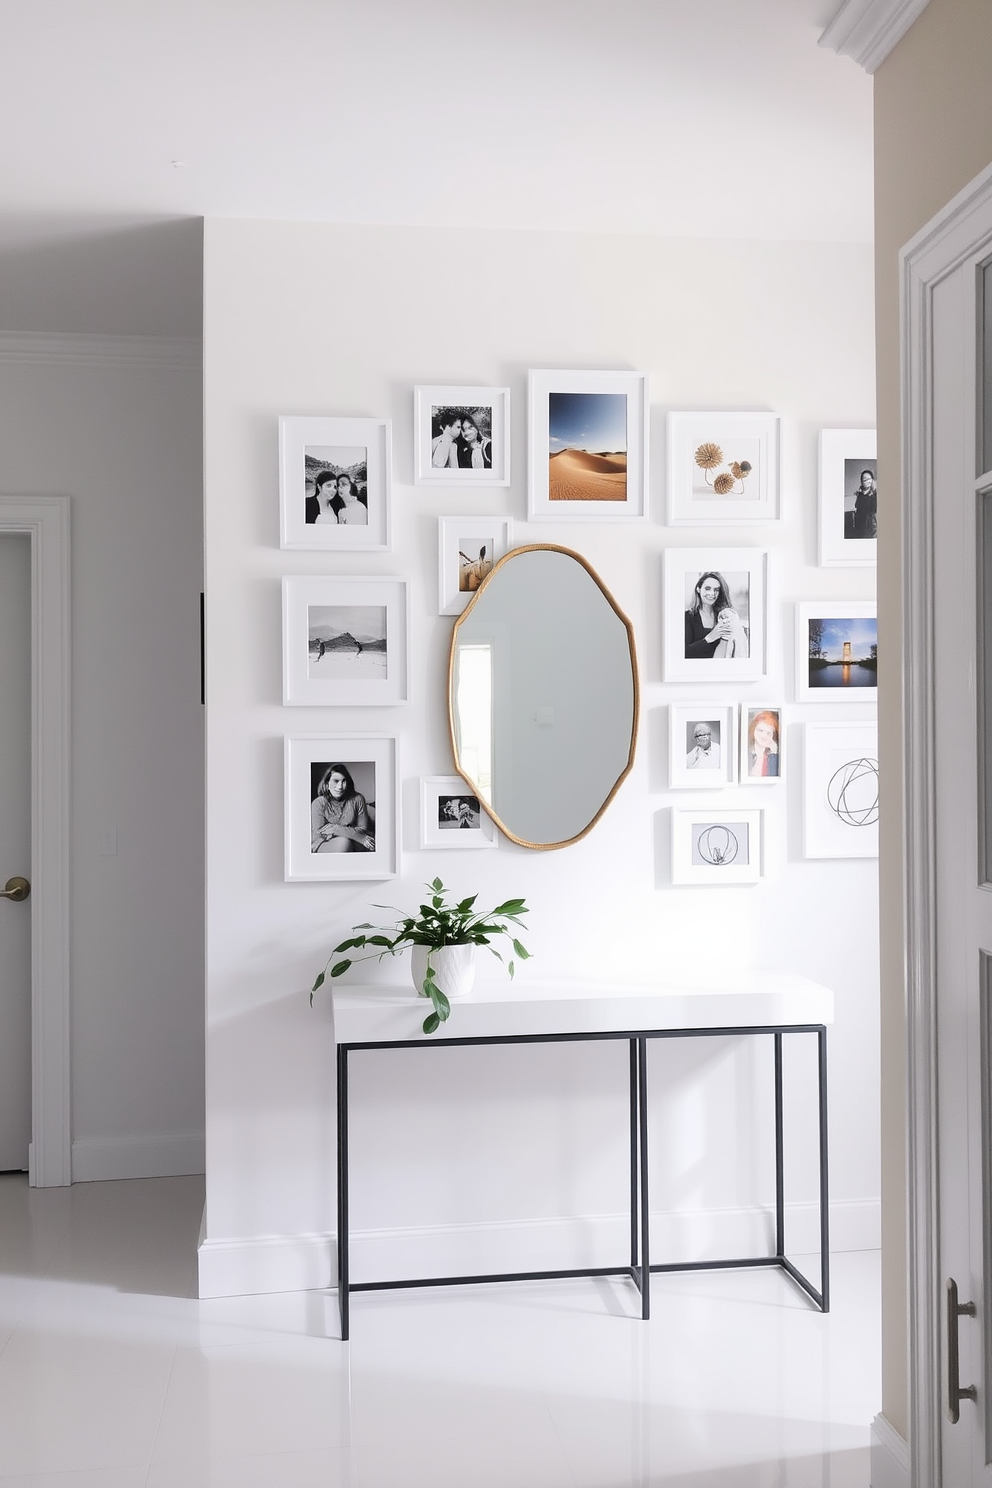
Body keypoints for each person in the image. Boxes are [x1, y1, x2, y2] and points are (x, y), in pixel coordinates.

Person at [311, 764, 375, 853]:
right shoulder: (318, 803)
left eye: (344, 781)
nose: (340, 786)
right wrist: (353, 833)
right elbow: (320, 834)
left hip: (354, 841)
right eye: (336, 781)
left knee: (354, 844)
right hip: (324, 843)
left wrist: (335, 829)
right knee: (344, 843)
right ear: (327, 784)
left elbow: (362, 829)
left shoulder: (358, 799)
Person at [684, 571, 741, 659]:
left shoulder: (724, 616)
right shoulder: (687, 617)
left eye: (716, 590)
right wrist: (710, 638)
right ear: (698, 589)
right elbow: (685, 653)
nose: (712, 594)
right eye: (707, 588)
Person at [747, 711, 780, 778]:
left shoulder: (772, 757)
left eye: (768, 733)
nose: (764, 736)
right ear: (753, 729)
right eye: (760, 730)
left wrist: (774, 753)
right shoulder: (747, 753)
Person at [853, 468, 877, 538]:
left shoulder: (875, 495)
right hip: (859, 525)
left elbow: (874, 509)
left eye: (869, 479)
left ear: (872, 480)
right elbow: (857, 506)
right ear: (861, 481)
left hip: (870, 527)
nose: (866, 481)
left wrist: (873, 491)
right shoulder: (860, 495)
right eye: (864, 479)